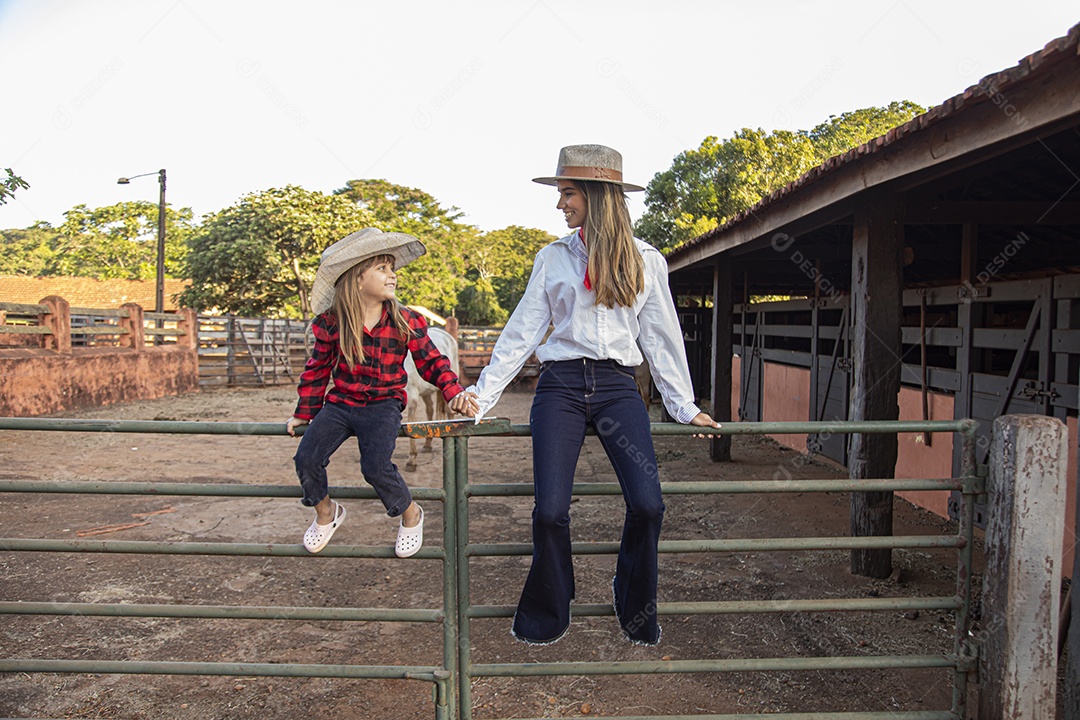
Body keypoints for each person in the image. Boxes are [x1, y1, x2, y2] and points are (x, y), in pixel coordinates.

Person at [462, 144, 721, 645]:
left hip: (617, 388)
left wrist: (683, 407)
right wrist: (483, 395)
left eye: (568, 194)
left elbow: (661, 337)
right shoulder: (552, 259)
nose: (561, 205)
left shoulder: (647, 260)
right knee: (550, 511)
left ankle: (634, 604)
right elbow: (524, 331)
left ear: (599, 196)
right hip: (559, 386)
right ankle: (551, 610)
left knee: (648, 505)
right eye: (561, 193)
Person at [286, 227, 478, 557]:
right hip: (341, 403)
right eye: (383, 269)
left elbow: (432, 361)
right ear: (357, 279)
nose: (393, 276)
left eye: (392, 268)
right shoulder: (333, 324)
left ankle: (411, 513)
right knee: (306, 458)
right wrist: (304, 413)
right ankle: (326, 512)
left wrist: (453, 391)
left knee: (375, 467)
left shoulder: (405, 321)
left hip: (383, 405)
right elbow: (317, 371)